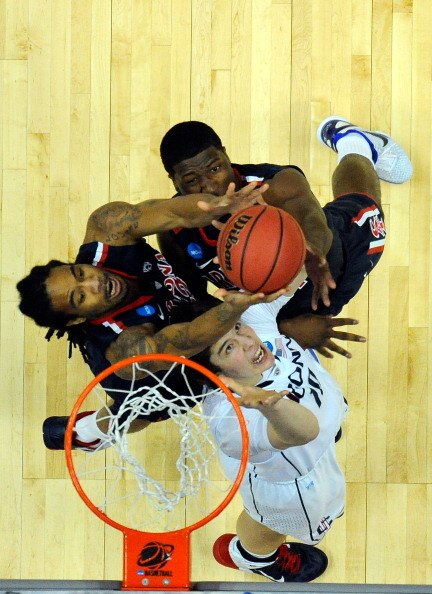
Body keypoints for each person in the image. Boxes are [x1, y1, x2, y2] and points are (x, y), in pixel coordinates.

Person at [16, 182, 278, 448]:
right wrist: (236, 306)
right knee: (140, 413)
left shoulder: (108, 229)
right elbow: (185, 340)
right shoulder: (125, 349)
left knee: (181, 239)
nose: (95, 284)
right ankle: (86, 433)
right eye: (80, 297)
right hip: (154, 370)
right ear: (76, 318)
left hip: (183, 304)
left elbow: (175, 213)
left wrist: (220, 205)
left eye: (80, 273)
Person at [158, 116, 412, 358]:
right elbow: (199, 300)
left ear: (225, 154)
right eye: (192, 180)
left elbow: (313, 220)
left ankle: (355, 143)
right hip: (273, 312)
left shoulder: (275, 183)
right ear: (174, 181)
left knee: (363, 201)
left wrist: (314, 250)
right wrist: (281, 327)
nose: (211, 186)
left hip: (334, 254)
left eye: (215, 169)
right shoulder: (174, 231)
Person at [191, 279, 348, 583]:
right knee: (267, 524)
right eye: (229, 348)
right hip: (293, 487)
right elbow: (302, 433)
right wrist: (272, 407)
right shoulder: (232, 420)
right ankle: (253, 556)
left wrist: (306, 250)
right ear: (214, 374)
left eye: (237, 329)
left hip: (315, 448)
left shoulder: (254, 329)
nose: (248, 341)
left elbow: (289, 277)